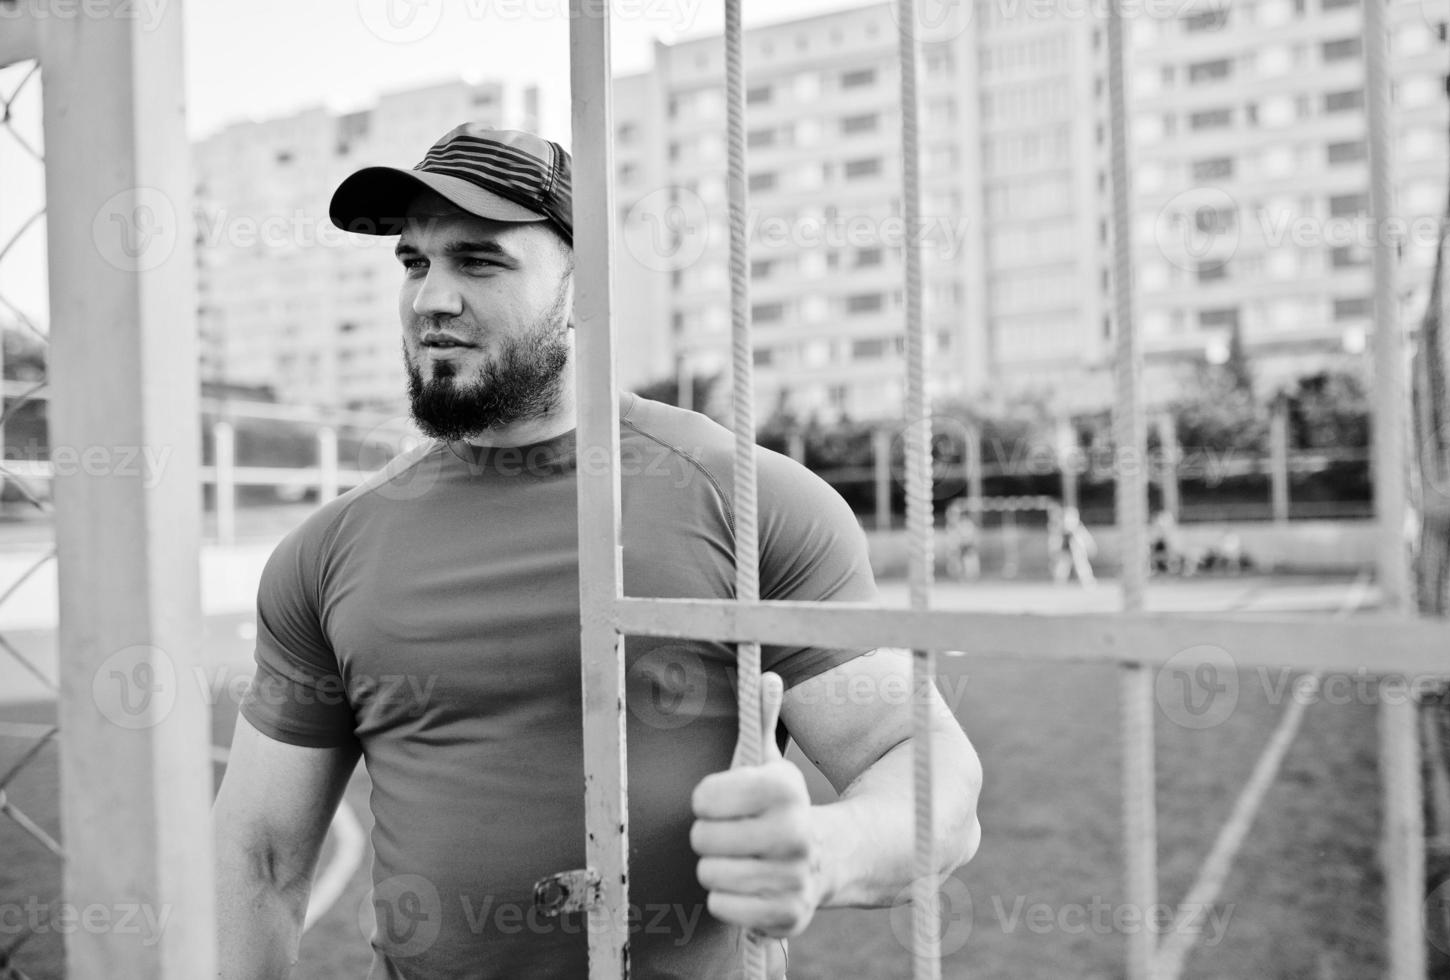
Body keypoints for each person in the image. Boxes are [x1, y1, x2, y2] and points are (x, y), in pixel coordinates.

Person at [212, 125, 983, 980]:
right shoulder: (326, 551)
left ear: (587, 286)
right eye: (414, 262)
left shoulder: (748, 501)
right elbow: (260, 859)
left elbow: (923, 772)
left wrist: (823, 848)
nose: (430, 298)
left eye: (478, 260)